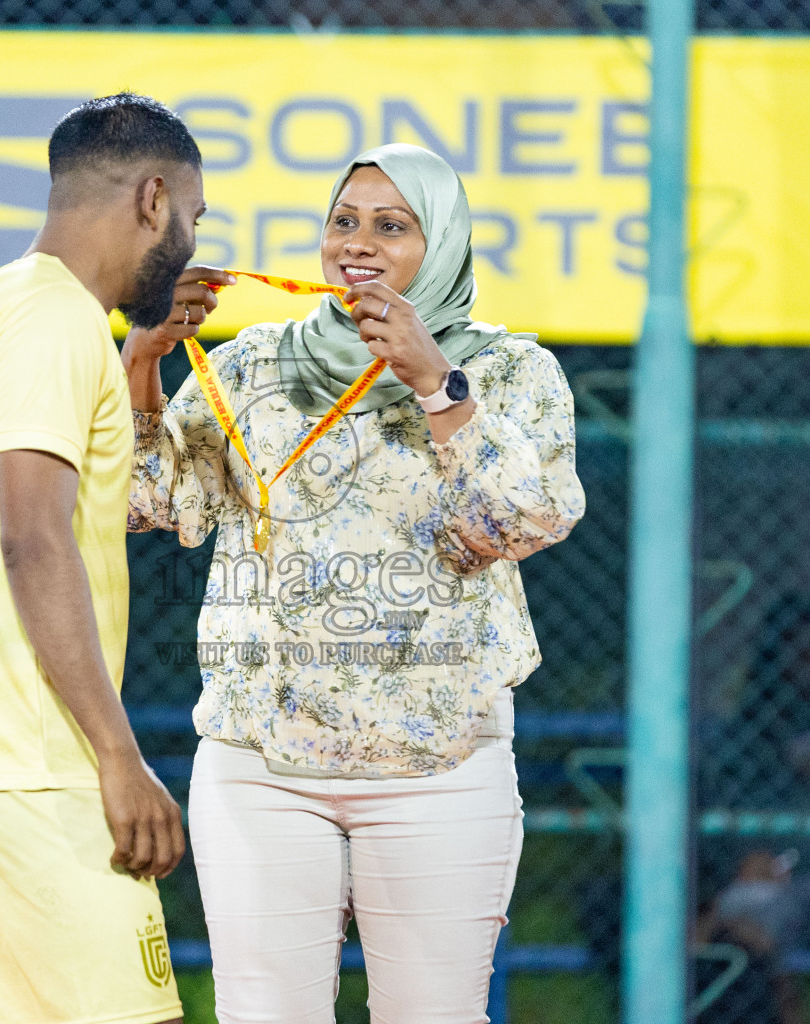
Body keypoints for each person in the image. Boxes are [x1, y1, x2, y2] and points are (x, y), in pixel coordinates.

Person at [124, 143, 586, 1023]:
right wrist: (144, 358)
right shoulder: (259, 363)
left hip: (439, 766)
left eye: (391, 225)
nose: (358, 244)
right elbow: (151, 499)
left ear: (441, 244)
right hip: (261, 767)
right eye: (344, 222)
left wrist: (431, 381)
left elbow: (524, 519)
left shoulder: (510, 373)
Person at [0, 93, 205, 1024]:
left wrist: (137, 358)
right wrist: (118, 756)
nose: (189, 241)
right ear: (153, 199)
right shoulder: (58, 321)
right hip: (30, 763)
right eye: (192, 217)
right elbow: (32, 536)